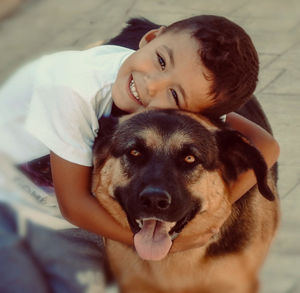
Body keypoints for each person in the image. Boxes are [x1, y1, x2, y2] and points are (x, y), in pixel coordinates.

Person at [0, 15, 279, 257]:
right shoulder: (73, 89)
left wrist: (217, 208)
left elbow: (267, 146)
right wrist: (169, 243)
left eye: (173, 94)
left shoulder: (189, 100)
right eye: (160, 60)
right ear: (150, 38)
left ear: (195, 115)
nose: (151, 83)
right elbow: (74, 206)